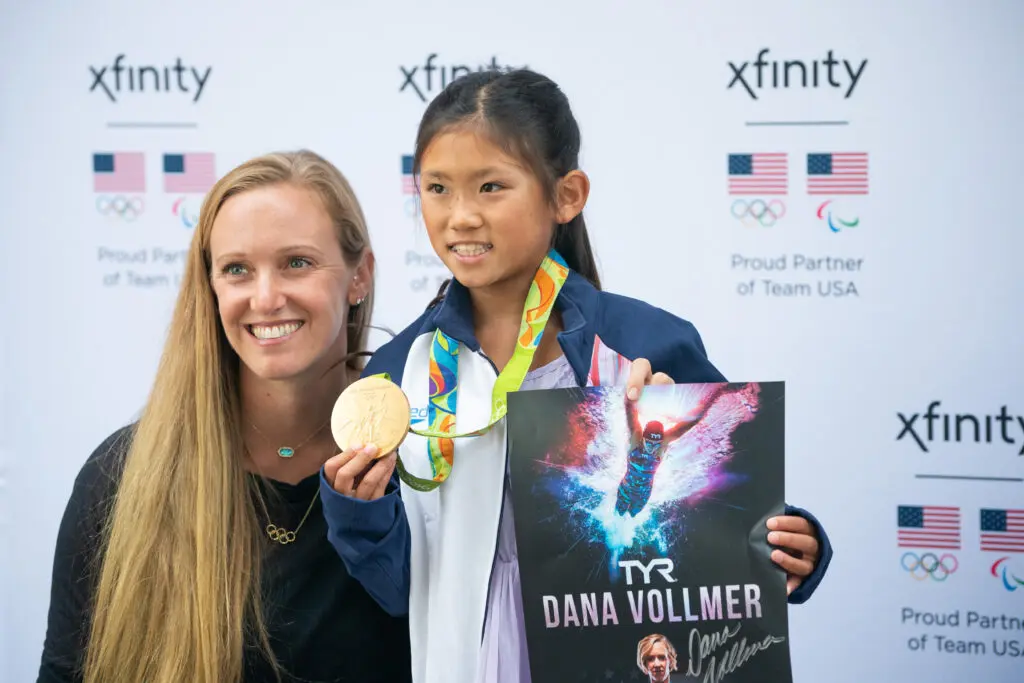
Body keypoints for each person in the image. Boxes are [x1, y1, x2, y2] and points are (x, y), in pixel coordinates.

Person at [320, 69, 833, 683]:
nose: (460, 217)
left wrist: (794, 547)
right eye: (436, 189)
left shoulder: (646, 343)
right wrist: (357, 509)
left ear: (566, 195)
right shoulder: (400, 374)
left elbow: (723, 508)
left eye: (490, 187)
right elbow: (399, 591)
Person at [36, 150, 413, 683]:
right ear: (211, 289)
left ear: (359, 277)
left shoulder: (427, 465)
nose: (266, 297)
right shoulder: (123, 476)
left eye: (296, 263)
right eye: (237, 270)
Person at [616, 382, 745, 517]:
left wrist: (720, 392)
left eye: (656, 443)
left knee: (632, 515)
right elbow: (629, 408)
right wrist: (632, 390)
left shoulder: (663, 443)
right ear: (643, 438)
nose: (652, 447)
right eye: (649, 442)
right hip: (625, 489)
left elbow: (693, 421)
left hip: (643, 495)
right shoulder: (636, 438)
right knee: (618, 513)